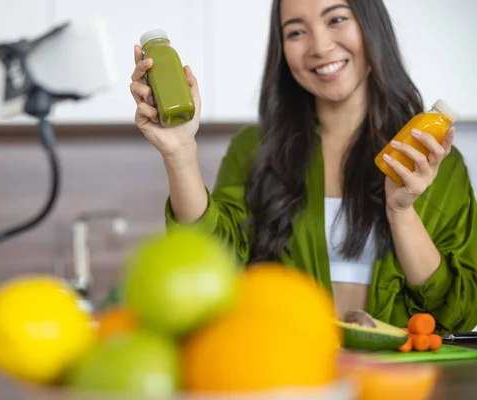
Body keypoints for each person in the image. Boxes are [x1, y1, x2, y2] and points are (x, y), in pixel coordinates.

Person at [129, 0, 477, 334]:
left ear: (372, 29)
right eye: (296, 32)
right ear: (282, 51)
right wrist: (180, 153)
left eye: (336, 19)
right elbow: (208, 264)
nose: (321, 46)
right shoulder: (253, 149)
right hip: (288, 372)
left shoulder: (432, 162)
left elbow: (458, 313)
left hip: (397, 384)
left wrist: (401, 213)